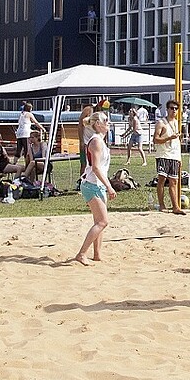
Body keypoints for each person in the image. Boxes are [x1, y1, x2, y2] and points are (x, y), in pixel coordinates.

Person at [74, 111, 116, 265]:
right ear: (97, 124)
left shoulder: (99, 140)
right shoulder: (96, 141)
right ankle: (82, 253)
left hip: (95, 184)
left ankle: (97, 254)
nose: (108, 123)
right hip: (92, 184)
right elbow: (96, 168)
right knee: (103, 222)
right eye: (106, 121)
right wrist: (109, 186)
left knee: (99, 221)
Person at [153, 99, 186, 214]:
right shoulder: (161, 123)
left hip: (174, 156)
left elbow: (177, 143)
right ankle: (162, 205)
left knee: (174, 181)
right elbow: (155, 140)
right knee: (162, 179)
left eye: (176, 109)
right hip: (163, 154)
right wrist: (168, 138)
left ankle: (175, 206)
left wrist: (179, 158)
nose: (174, 111)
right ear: (167, 109)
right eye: (171, 108)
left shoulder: (177, 123)